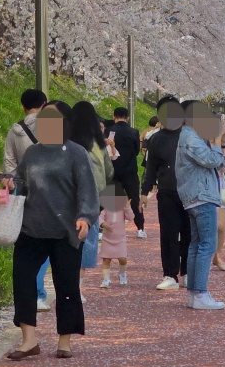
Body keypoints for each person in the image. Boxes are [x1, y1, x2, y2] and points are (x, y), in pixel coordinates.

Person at [4, 102, 99, 360]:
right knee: (22, 280)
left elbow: (87, 190)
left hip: (65, 231)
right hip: (31, 228)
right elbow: (22, 184)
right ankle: (28, 340)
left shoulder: (77, 153)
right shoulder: (32, 153)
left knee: (67, 285)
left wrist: (85, 218)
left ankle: (65, 340)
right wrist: (10, 182)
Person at [175, 100, 225, 310]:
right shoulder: (190, 138)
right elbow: (214, 161)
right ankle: (201, 293)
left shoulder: (188, 136)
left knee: (197, 245)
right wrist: (216, 142)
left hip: (194, 196)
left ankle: (195, 294)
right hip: (201, 195)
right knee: (207, 244)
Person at [141, 96, 190, 290]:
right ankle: (170, 274)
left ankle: (187, 272)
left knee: (189, 233)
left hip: (190, 192)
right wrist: (145, 191)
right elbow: (151, 167)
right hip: (167, 192)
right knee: (168, 233)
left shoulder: (189, 135)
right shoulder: (156, 139)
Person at [69, 101, 115, 300]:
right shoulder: (100, 145)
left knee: (67, 243)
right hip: (91, 200)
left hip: (68, 197)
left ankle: (68, 285)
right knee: (86, 242)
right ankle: (77, 288)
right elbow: (109, 172)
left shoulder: (66, 142)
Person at [109, 106, 146, 237]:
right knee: (134, 199)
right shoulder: (134, 131)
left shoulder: (109, 131)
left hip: (113, 171)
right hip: (130, 171)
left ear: (114, 116)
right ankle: (140, 228)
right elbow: (136, 151)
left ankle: (108, 228)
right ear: (128, 118)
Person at [99, 185, 132, 287]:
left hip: (120, 239)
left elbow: (131, 217)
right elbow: (99, 217)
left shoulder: (122, 209)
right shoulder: (105, 209)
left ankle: (122, 273)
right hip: (107, 239)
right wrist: (103, 224)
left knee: (122, 258)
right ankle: (106, 279)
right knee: (106, 259)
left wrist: (127, 207)